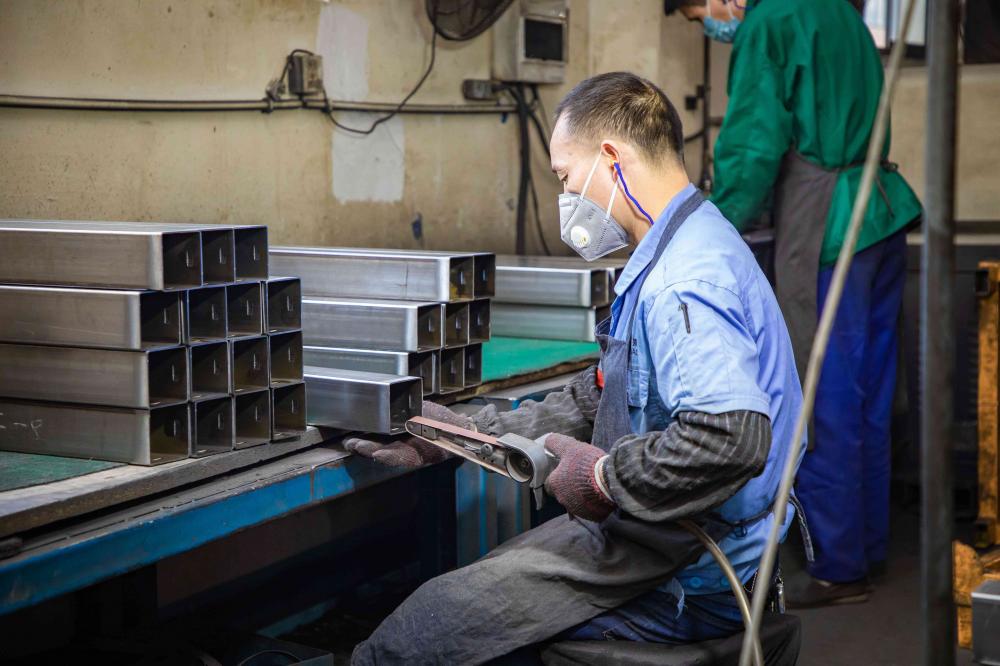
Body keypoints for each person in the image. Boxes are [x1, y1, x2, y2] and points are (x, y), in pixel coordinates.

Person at [344, 71, 804, 665]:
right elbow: (602, 395)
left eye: (565, 177)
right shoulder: (684, 239)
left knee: (410, 643)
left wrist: (605, 477)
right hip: (670, 536)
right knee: (469, 589)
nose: (566, 199)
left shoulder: (685, 280)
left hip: (690, 569)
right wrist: (463, 434)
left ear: (611, 158)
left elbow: (731, 439)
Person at [664, 0, 923, 607]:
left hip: (829, 226)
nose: (710, 23)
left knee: (821, 392)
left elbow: (754, 143)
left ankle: (837, 565)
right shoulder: (839, 12)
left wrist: (708, 229)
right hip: (880, 214)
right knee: (868, 398)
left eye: (701, 10)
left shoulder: (770, 24)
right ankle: (865, 547)